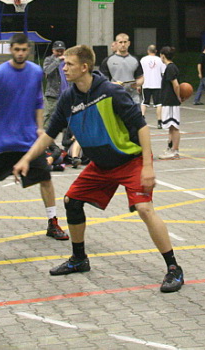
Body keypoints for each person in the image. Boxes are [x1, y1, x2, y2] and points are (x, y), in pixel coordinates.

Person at [13, 44, 184, 293]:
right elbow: (49, 134)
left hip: (130, 160)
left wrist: (148, 166)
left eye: (69, 64)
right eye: (64, 64)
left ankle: (173, 268)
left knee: (144, 209)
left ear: (84, 67)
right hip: (101, 165)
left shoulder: (111, 92)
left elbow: (141, 126)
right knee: (72, 201)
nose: (64, 68)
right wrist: (26, 159)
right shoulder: (68, 98)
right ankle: (79, 259)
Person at [0, 33, 69, 241]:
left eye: (23, 50)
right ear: (11, 50)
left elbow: (38, 101)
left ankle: (53, 222)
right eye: (16, 49)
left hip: (27, 141)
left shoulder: (35, 72)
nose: (20, 53)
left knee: (45, 179)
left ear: (28, 51)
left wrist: (39, 128)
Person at [99, 33, 143, 107]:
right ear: (116, 43)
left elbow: (141, 77)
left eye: (125, 42)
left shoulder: (135, 60)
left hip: (133, 99)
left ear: (129, 43)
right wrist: (113, 84)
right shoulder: (107, 61)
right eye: (120, 42)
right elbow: (102, 80)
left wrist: (136, 83)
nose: (123, 44)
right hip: (114, 98)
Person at [157, 46, 181, 160]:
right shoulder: (170, 67)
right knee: (171, 126)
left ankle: (175, 151)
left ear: (163, 55)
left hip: (171, 102)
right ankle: (170, 148)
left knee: (174, 126)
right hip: (168, 101)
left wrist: (178, 97)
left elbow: (176, 85)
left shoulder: (171, 68)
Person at [43, 40, 66, 128]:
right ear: (53, 50)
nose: (59, 53)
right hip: (52, 93)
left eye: (61, 51)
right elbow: (46, 70)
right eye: (57, 51)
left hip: (65, 93)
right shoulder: (49, 59)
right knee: (48, 115)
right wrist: (57, 61)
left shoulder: (68, 60)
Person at [140, 44, 165, 127]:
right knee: (158, 103)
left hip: (146, 83)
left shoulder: (143, 60)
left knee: (144, 102)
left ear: (148, 51)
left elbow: (140, 72)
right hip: (157, 84)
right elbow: (163, 72)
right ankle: (159, 121)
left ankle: (142, 117)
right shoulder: (160, 60)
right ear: (156, 51)